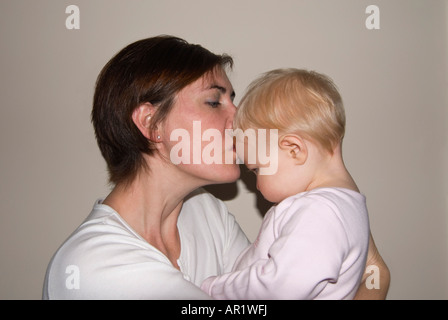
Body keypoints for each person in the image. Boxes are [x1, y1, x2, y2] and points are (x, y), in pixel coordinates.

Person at [43, 36, 389, 299]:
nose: (239, 117)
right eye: (214, 101)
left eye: (233, 98)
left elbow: (271, 281)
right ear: (152, 123)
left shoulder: (205, 212)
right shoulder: (98, 268)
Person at [201, 69, 385, 299]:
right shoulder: (340, 207)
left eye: (257, 169)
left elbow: (280, 288)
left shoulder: (320, 212)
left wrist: (209, 289)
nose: (256, 185)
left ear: (294, 150)